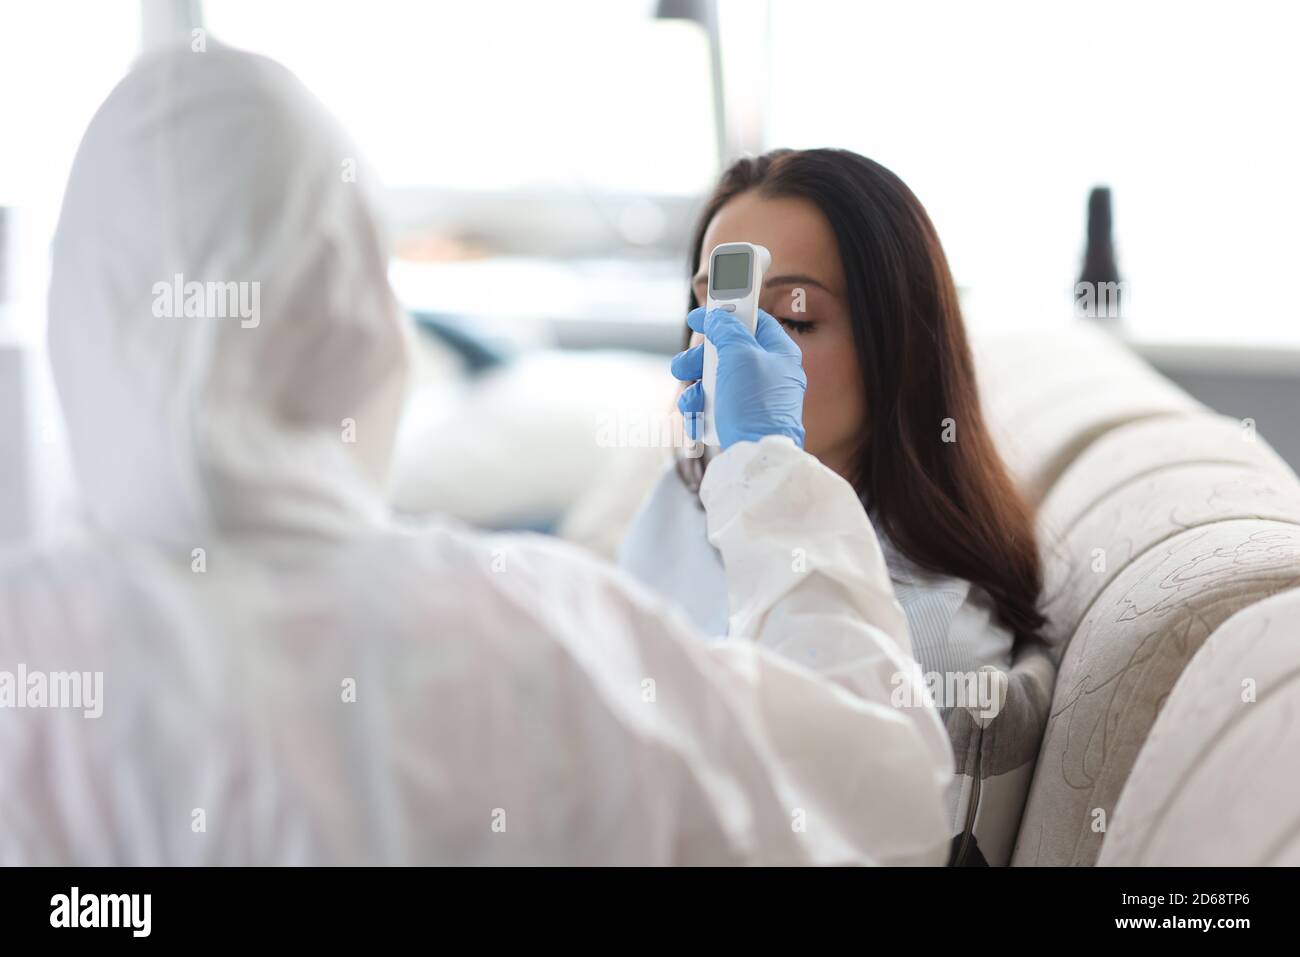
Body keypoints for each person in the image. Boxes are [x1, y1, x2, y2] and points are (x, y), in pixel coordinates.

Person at [0, 45, 952, 865]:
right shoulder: (537, 636)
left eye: (792, 314)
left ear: (78, 321)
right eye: (717, 305)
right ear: (366, 316)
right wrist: (765, 469)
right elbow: (881, 796)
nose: (731, 340)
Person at [621, 149, 1046, 727]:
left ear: (906, 351)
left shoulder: (930, 634)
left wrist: (768, 471)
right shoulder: (686, 490)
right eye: (713, 310)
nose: (733, 356)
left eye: (795, 319)